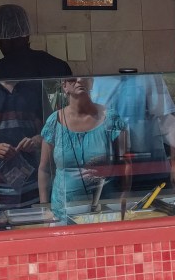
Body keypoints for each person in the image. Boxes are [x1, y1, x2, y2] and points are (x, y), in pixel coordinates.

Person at [0, 4, 72, 212]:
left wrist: (37, 140)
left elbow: (56, 125)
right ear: (27, 32)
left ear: (1, 39)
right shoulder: (55, 66)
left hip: (33, 185)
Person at [39, 76, 126, 221]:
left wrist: (110, 175)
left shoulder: (110, 118)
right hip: (62, 212)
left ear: (91, 83)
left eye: (84, 77)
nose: (79, 80)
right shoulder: (54, 122)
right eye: (72, 79)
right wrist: (45, 208)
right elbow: (44, 169)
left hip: (103, 211)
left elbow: (125, 164)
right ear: (64, 86)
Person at [91, 71, 175, 191]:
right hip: (110, 176)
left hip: (151, 171)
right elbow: (90, 124)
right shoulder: (96, 79)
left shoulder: (147, 76)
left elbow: (168, 121)